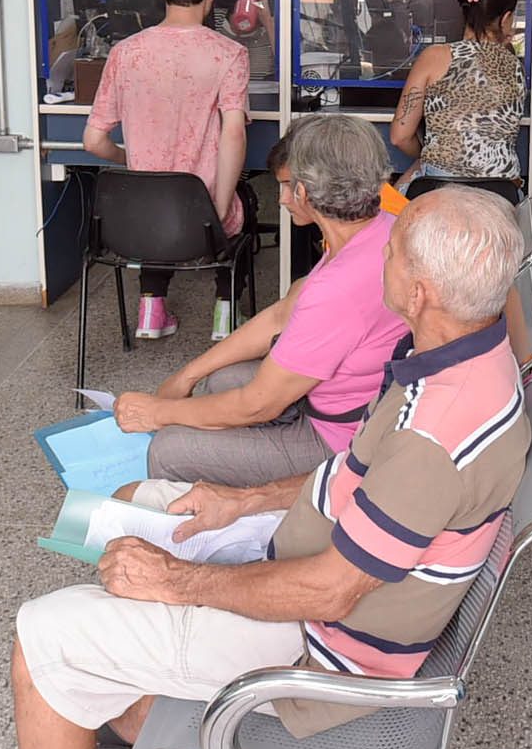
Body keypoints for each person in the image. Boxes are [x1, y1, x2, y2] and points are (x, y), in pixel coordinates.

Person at [11, 187, 530, 749]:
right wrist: (246, 500)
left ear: (419, 293)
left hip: (314, 648)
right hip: (306, 567)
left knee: (43, 637)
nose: (381, 250)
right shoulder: (472, 354)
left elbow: (331, 590)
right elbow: (357, 481)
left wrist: (178, 581)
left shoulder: (433, 434)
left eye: (394, 249)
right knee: (142, 499)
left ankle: (102, 680)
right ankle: (131, 704)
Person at [115, 115, 410, 488]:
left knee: (168, 449)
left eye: (287, 187)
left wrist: (159, 413)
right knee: (223, 378)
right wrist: (188, 374)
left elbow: (259, 404)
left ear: (304, 192)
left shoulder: (337, 288)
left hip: (343, 440)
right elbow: (281, 316)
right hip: (363, 404)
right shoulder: (381, 228)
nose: (282, 198)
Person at [84, 0, 249, 341]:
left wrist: (131, 159)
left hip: (135, 222)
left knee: (158, 201)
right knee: (248, 204)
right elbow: (234, 134)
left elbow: (92, 141)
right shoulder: (229, 54)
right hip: (202, 218)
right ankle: (225, 315)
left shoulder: (125, 53)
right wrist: (222, 205)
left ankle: (151, 313)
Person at [389, 0, 522, 190]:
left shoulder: (434, 57)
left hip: (441, 186)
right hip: (502, 189)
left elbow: (399, 137)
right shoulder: (514, 66)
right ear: (506, 18)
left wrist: (434, 153)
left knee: (389, 208)